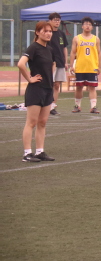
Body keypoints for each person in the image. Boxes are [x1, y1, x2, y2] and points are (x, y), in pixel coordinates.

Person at [17, 21, 56, 162]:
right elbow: (21, 64)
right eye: (45, 31)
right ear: (38, 32)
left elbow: (53, 64)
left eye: (50, 31)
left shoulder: (49, 49)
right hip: (36, 89)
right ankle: (27, 153)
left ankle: (40, 152)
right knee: (31, 122)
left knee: (43, 122)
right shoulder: (33, 47)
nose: (48, 33)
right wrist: (29, 78)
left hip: (48, 89)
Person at [69, 17, 101, 113]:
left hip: (92, 67)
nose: (88, 26)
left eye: (90, 24)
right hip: (80, 67)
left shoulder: (96, 39)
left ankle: (93, 107)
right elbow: (73, 52)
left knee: (92, 87)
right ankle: (77, 106)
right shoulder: (77, 38)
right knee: (79, 87)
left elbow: (99, 53)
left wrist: (99, 66)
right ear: (82, 26)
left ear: (92, 27)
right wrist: (71, 65)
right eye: (86, 24)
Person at [48, 12, 68, 115]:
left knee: (57, 85)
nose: (57, 22)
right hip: (50, 63)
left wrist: (66, 61)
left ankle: (53, 106)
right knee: (49, 84)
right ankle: (46, 105)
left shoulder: (61, 34)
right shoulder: (47, 33)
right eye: (55, 20)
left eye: (58, 20)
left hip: (60, 62)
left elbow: (64, 48)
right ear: (50, 21)